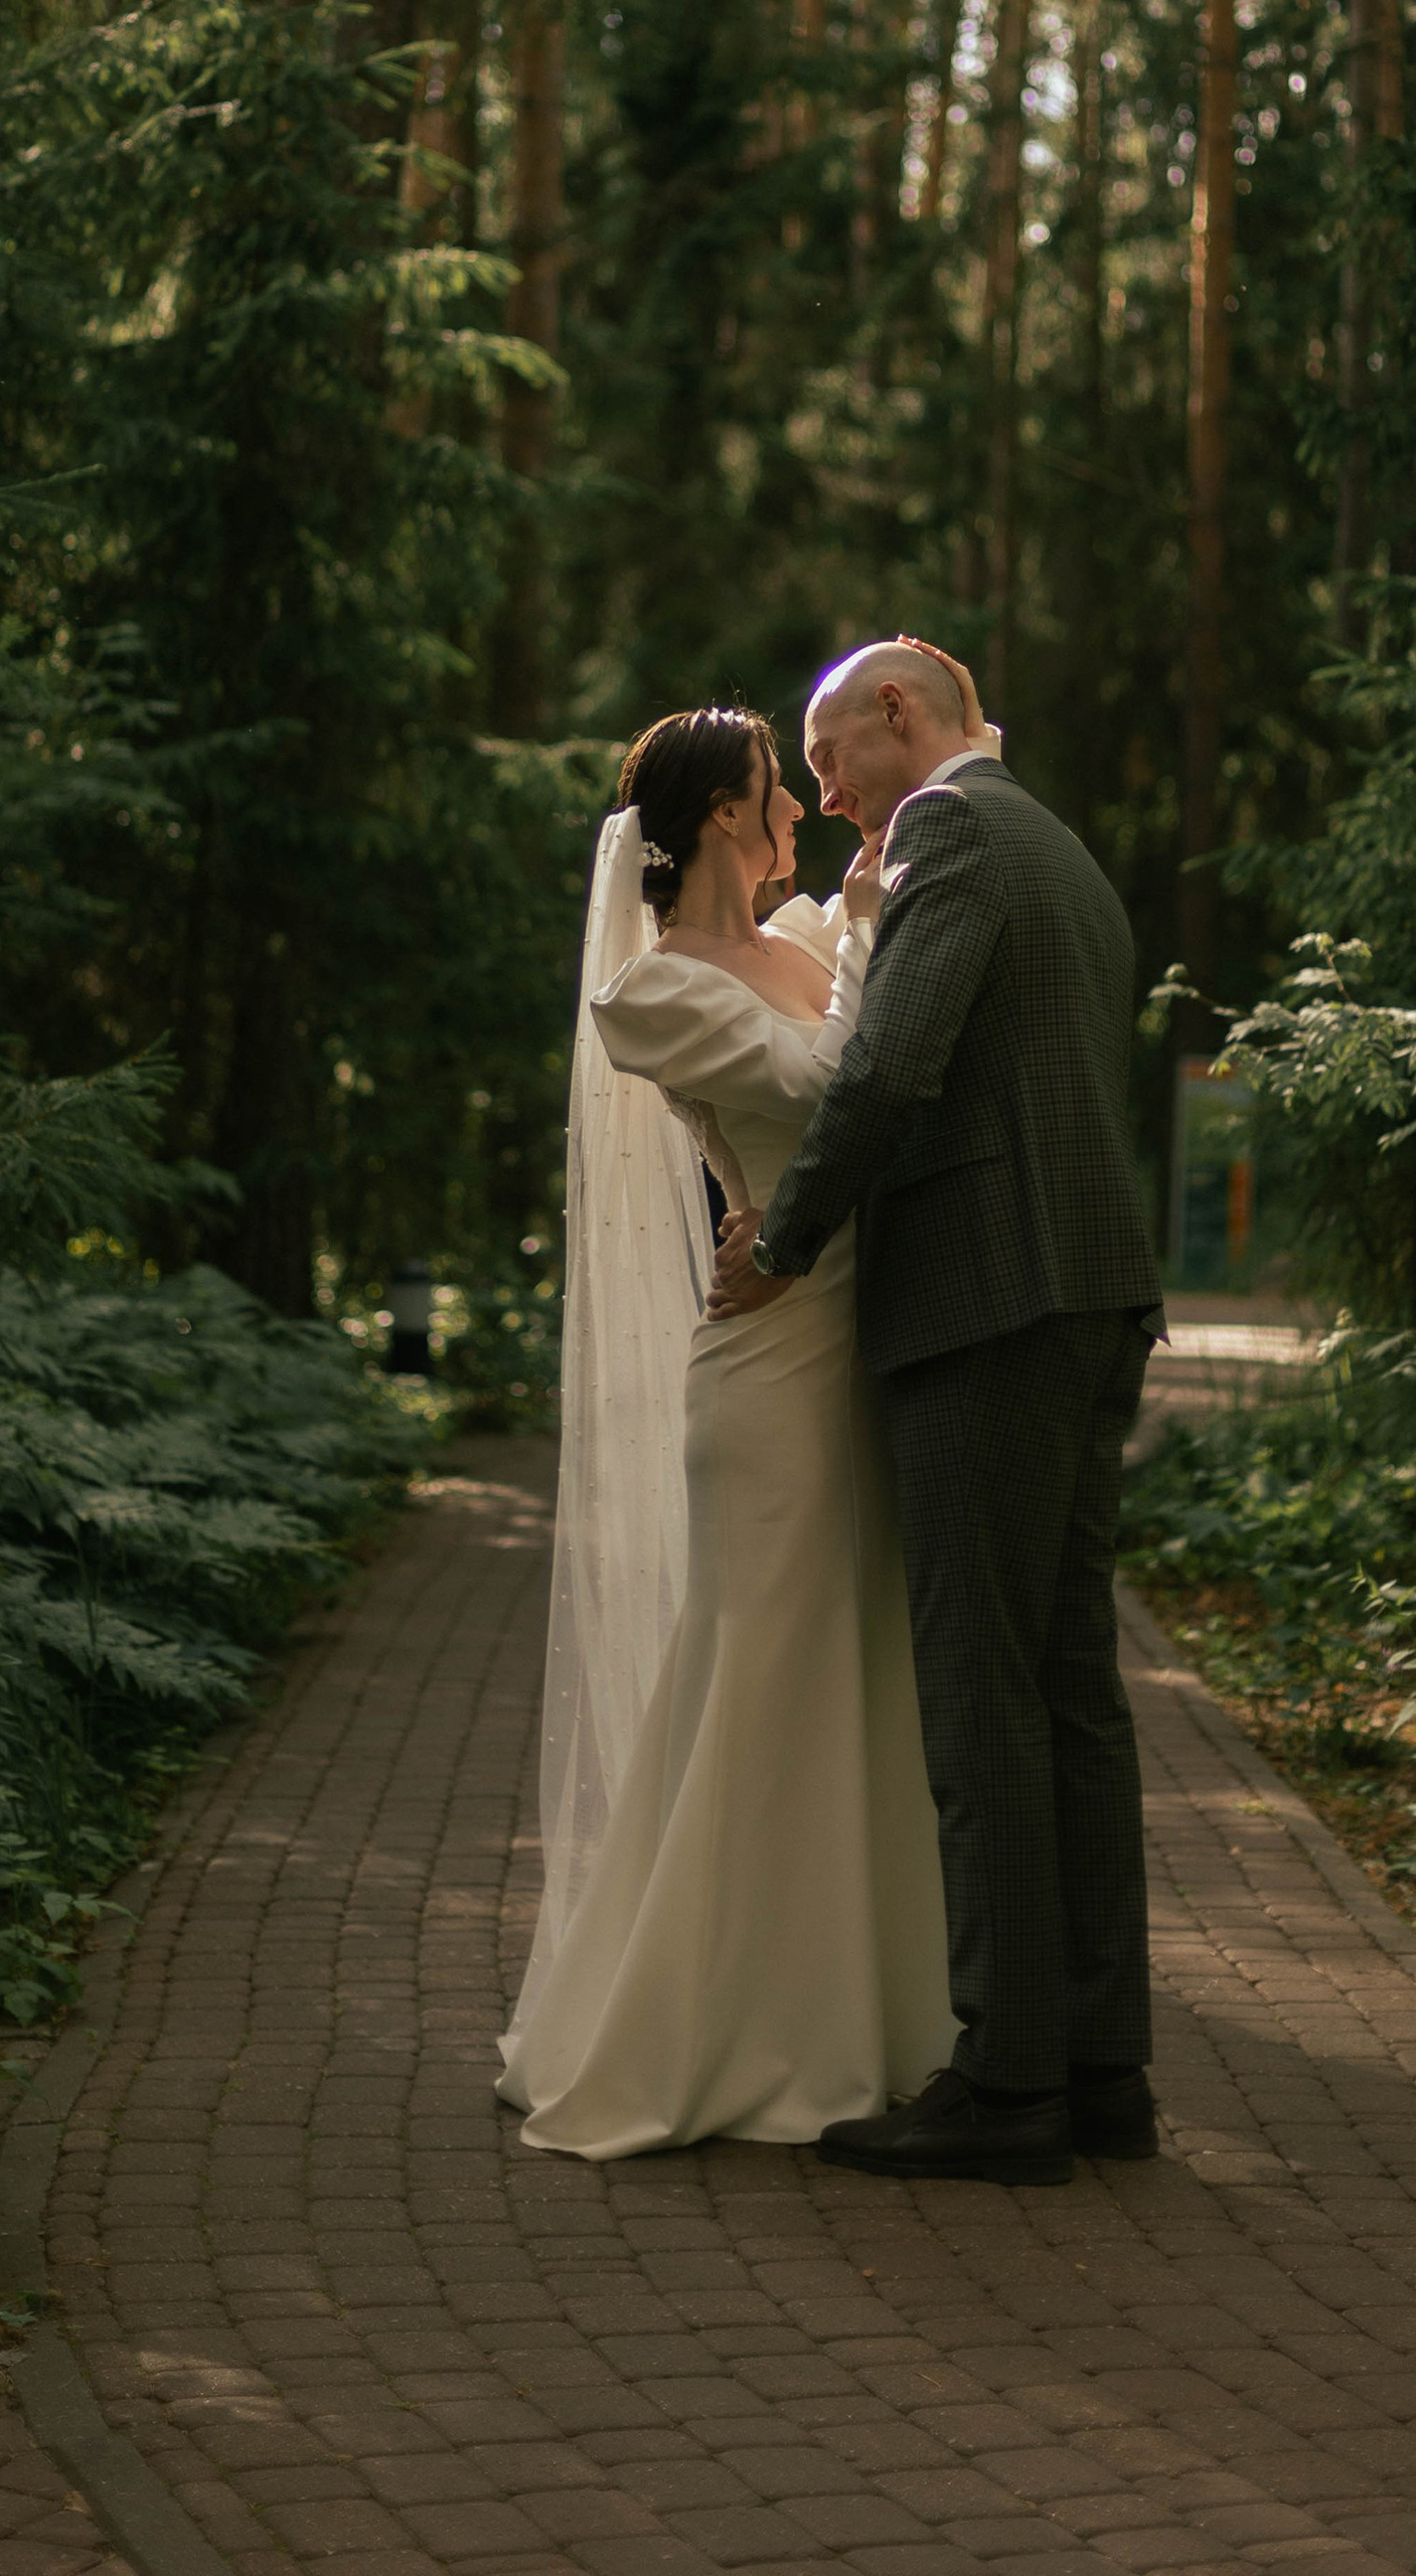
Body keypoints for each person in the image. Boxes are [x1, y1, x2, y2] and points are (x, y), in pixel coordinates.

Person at [708, 639, 1166, 2187]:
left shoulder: (952, 831)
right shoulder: (1061, 847)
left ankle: (1008, 2081)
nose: (826, 798)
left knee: (981, 1692)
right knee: (1068, 1690)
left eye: (833, 760)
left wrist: (781, 1237)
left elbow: (896, 1067)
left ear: (901, 716)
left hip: (991, 1296)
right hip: (1087, 1290)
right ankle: (1102, 2070)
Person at [495, 703, 954, 2157]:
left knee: (853, 1677)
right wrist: (874, 931)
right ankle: (705, 2025)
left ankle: (862, 2015)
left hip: (854, 1345)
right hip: (766, 1374)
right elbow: (828, 1091)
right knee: (757, 1676)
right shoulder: (655, 993)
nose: (799, 815)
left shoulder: (809, 940)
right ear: (710, 820)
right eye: (774, 792)